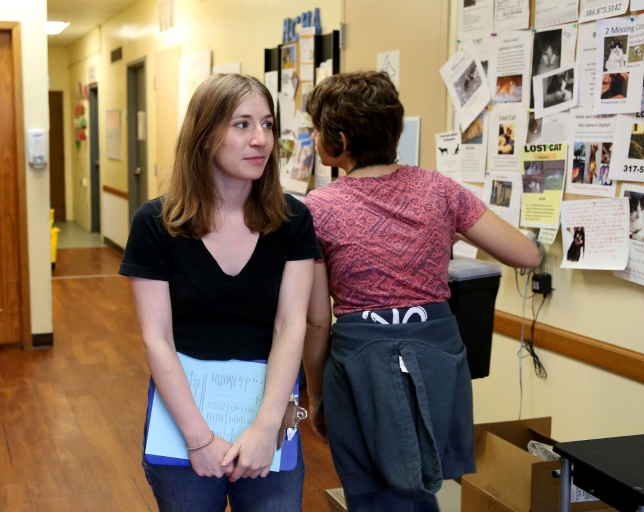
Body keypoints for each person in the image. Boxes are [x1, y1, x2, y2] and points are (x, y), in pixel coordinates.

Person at [301, 71, 541, 512]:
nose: (313, 137)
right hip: (435, 356)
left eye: (315, 129)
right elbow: (526, 254)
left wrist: (314, 396)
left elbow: (317, 319)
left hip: (363, 361)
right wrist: (443, 235)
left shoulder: (317, 208)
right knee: (422, 483)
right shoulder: (439, 190)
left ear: (338, 139)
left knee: (374, 494)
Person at [119, 74, 321, 511]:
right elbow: (157, 338)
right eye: (242, 124)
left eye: (267, 125)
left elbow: (291, 325)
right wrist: (198, 439)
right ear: (206, 135)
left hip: (267, 409)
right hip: (186, 415)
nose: (261, 140)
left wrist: (268, 427)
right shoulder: (156, 223)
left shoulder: (293, 220)